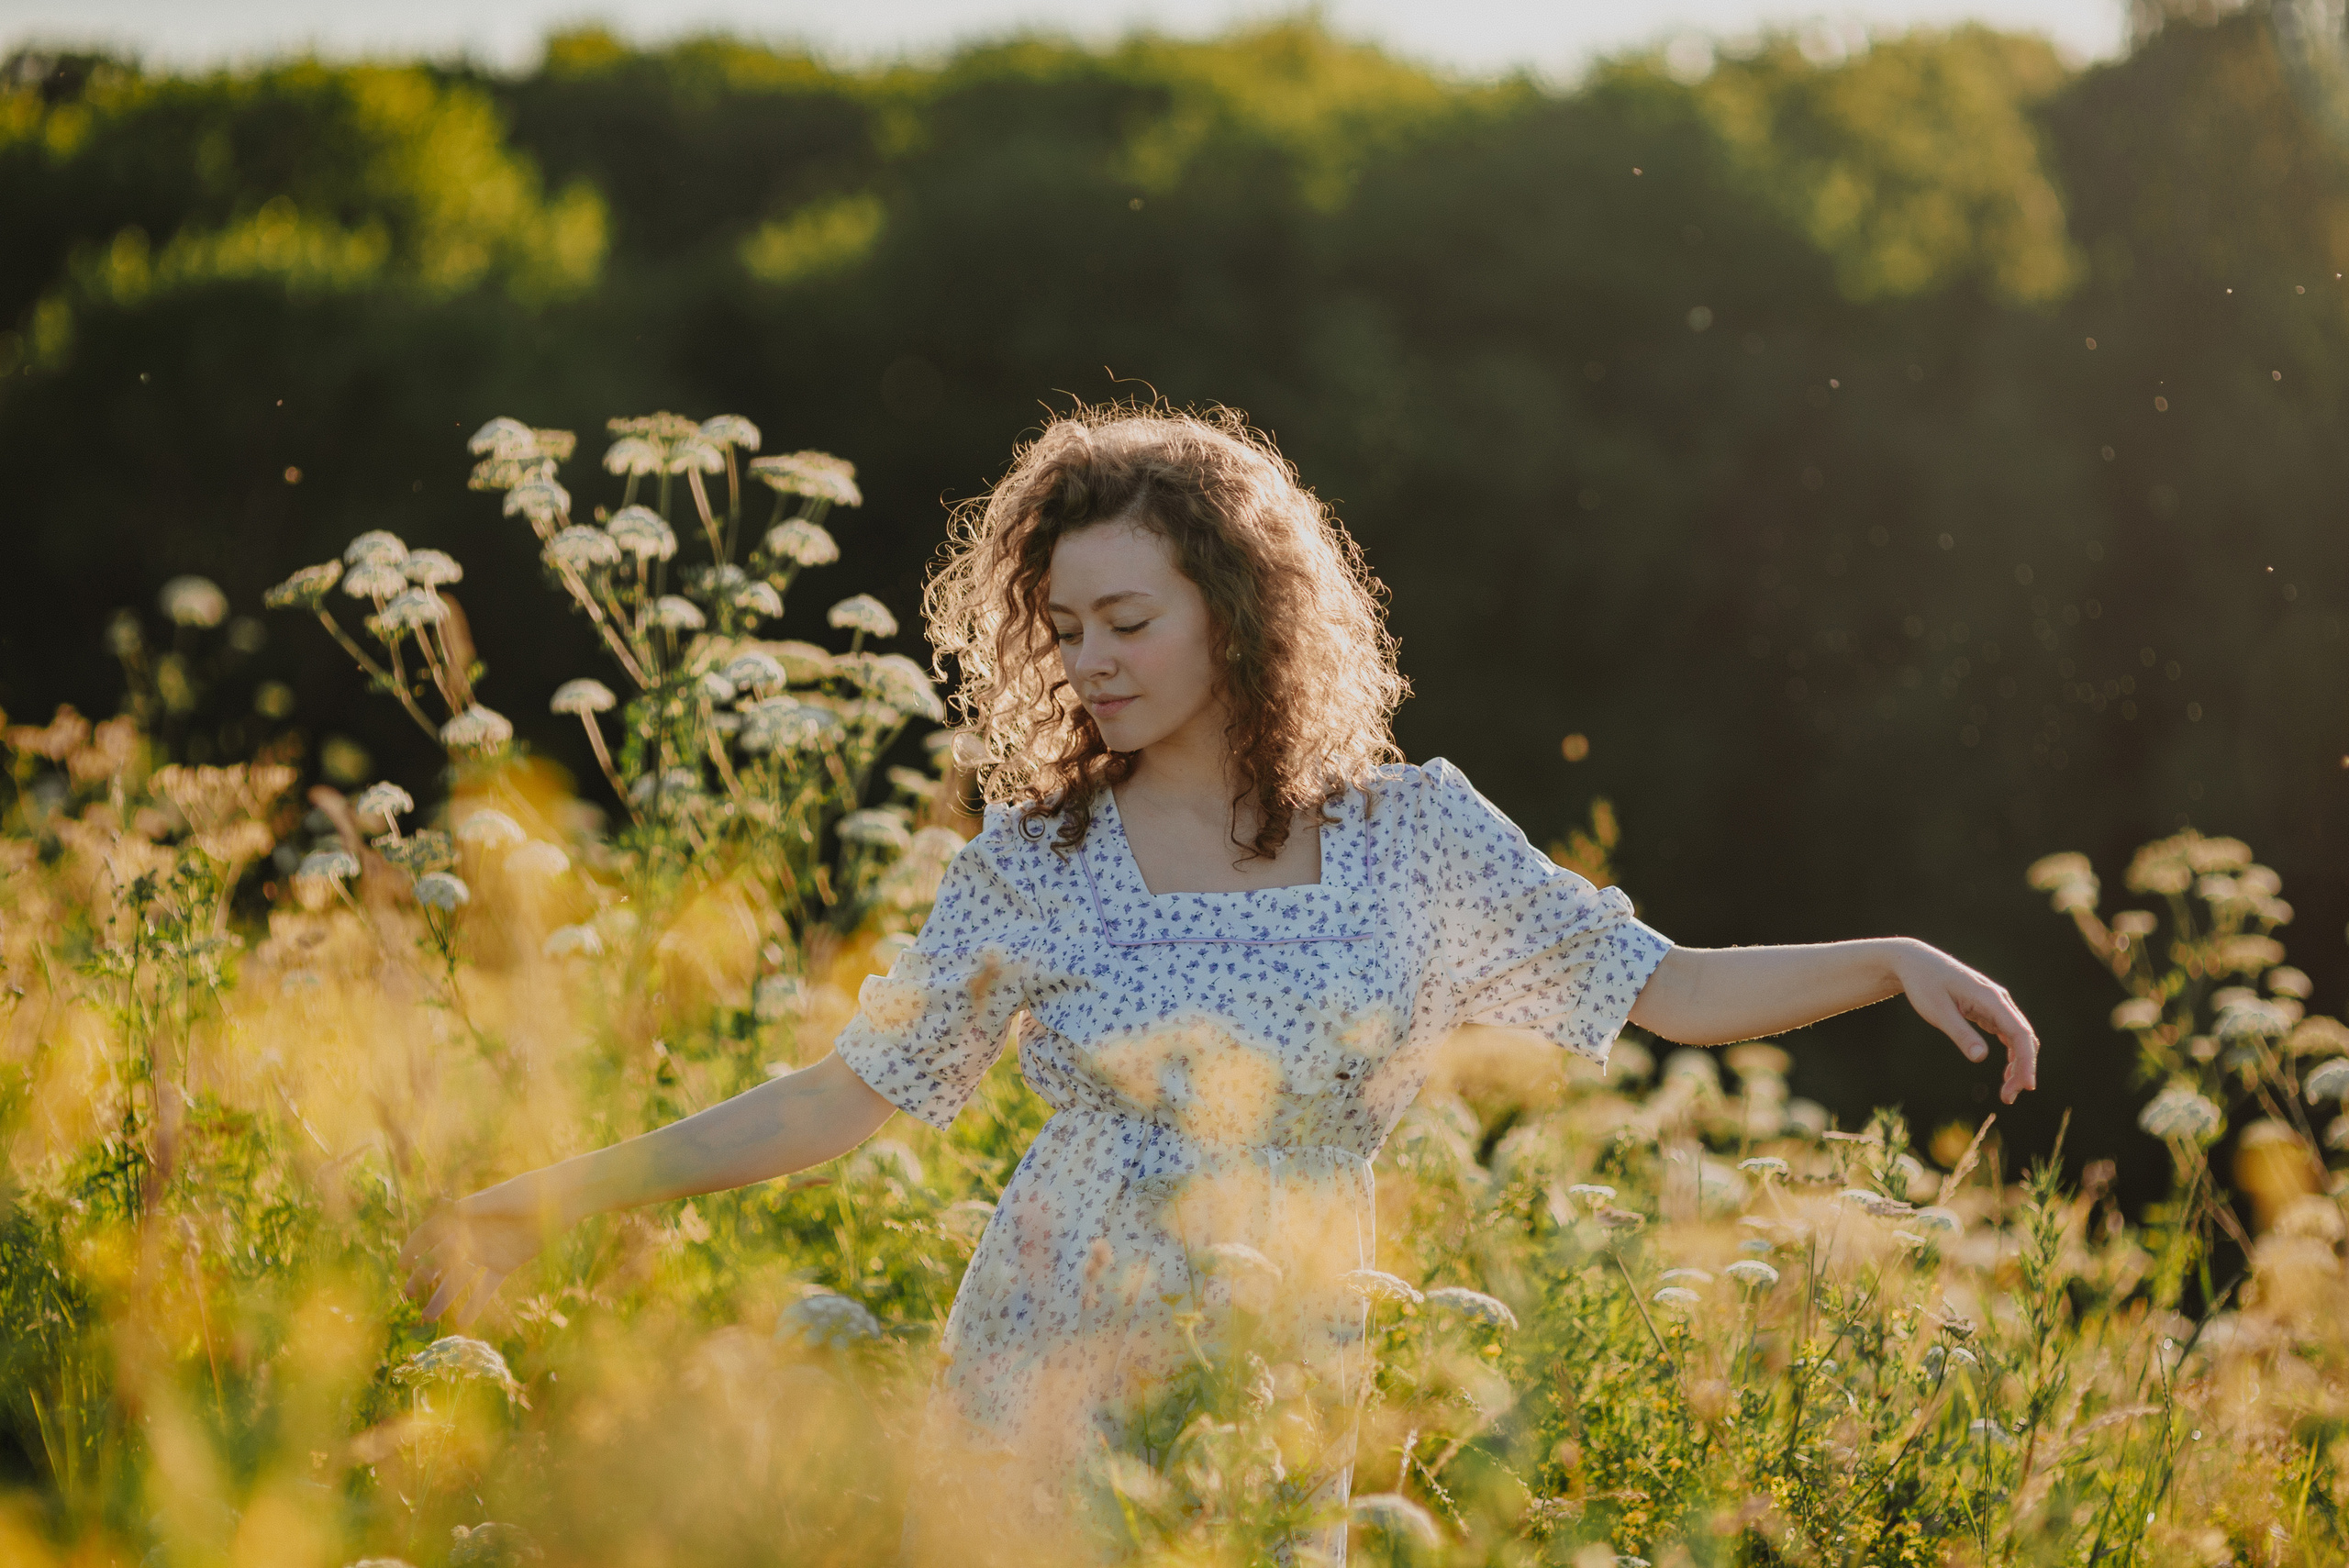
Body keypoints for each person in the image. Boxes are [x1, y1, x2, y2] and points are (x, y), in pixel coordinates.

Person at [399, 405, 2039, 1562]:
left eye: (1127, 616)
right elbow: (848, 1094)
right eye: (1063, 629)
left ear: (1239, 613)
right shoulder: (1033, 864)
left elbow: (1664, 986)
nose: (1090, 658)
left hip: (1279, 1375)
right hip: (1043, 1377)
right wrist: (536, 1201)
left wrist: (1889, 960)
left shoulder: (1415, 836)